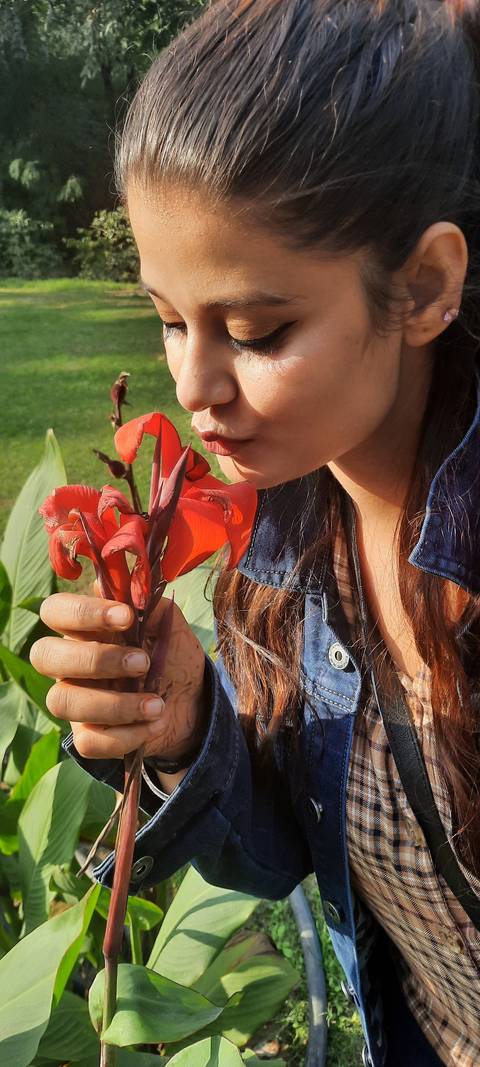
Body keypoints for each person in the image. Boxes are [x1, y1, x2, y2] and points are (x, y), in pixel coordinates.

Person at [30, 1, 480, 1063]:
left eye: (257, 331)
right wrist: (189, 727)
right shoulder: (279, 543)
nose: (193, 387)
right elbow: (296, 851)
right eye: (170, 318)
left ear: (422, 286)